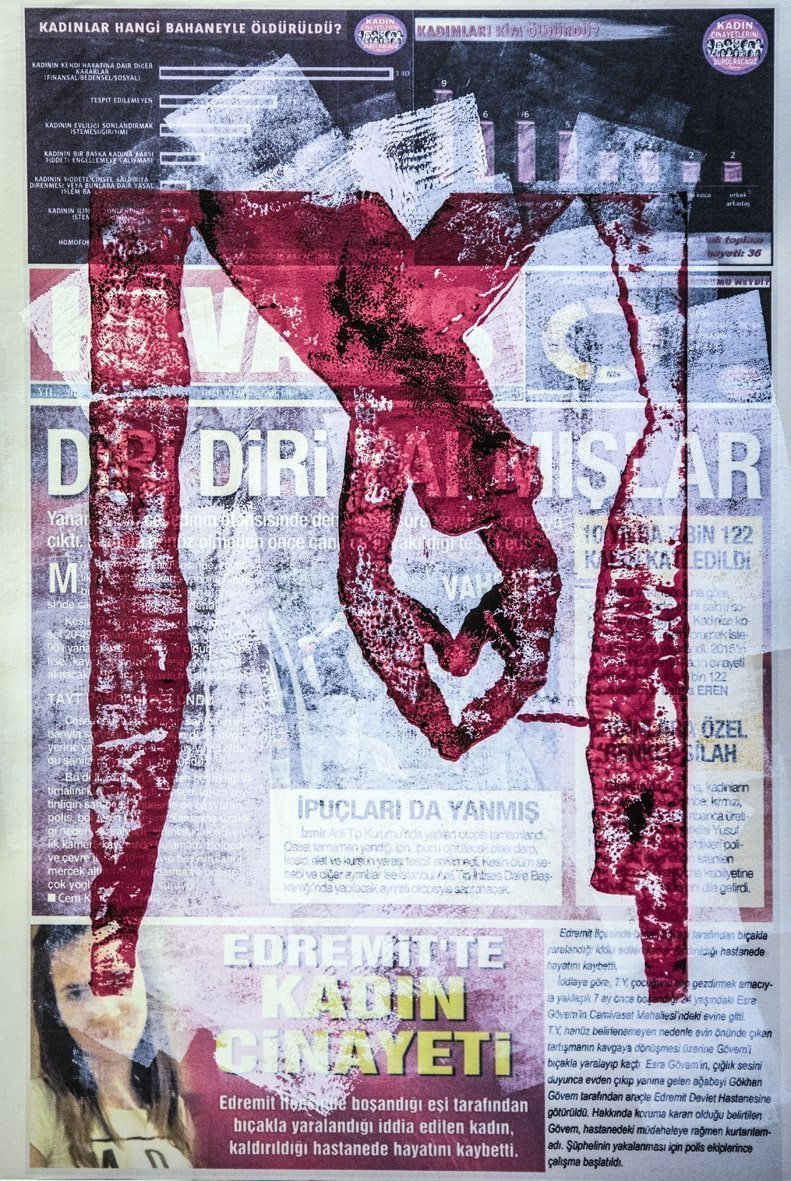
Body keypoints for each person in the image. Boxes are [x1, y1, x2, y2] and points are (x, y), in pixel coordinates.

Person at [30, 925, 192, 1169]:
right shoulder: (37, 1105)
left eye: (118, 978)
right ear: (56, 1012)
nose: (105, 1011)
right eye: (76, 994)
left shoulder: (174, 1108)